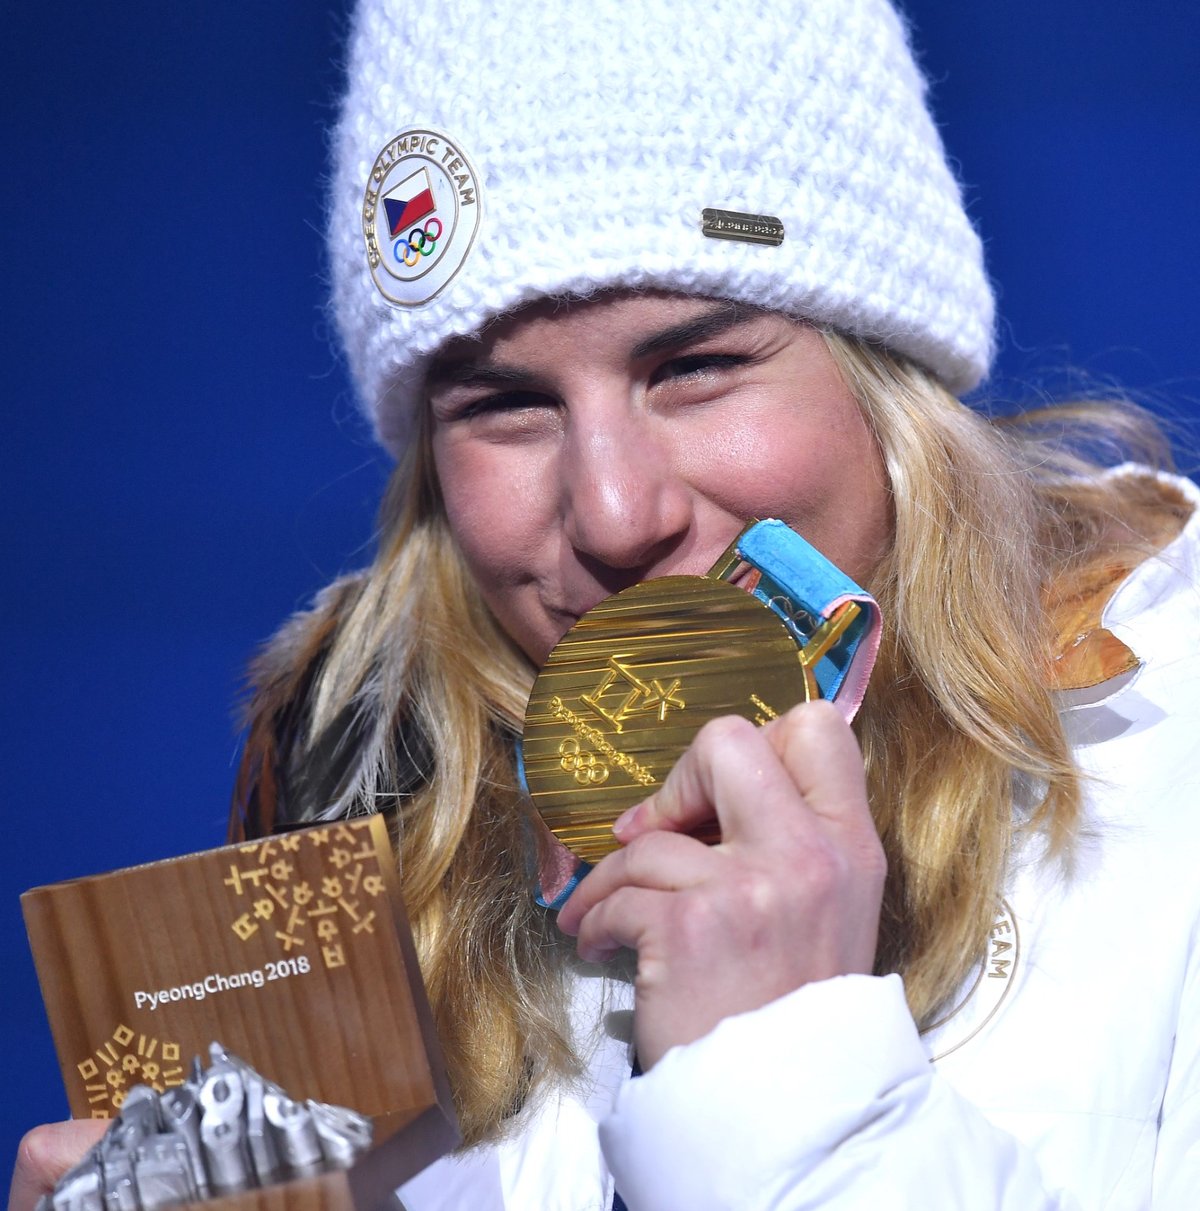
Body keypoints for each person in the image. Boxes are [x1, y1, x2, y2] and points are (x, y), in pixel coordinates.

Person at [12, 0, 1200, 1208]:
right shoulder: (348, 806)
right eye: (505, 405)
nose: (618, 513)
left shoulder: (1175, 756)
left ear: (884, 376)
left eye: (694, 367)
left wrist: (798, 1097)